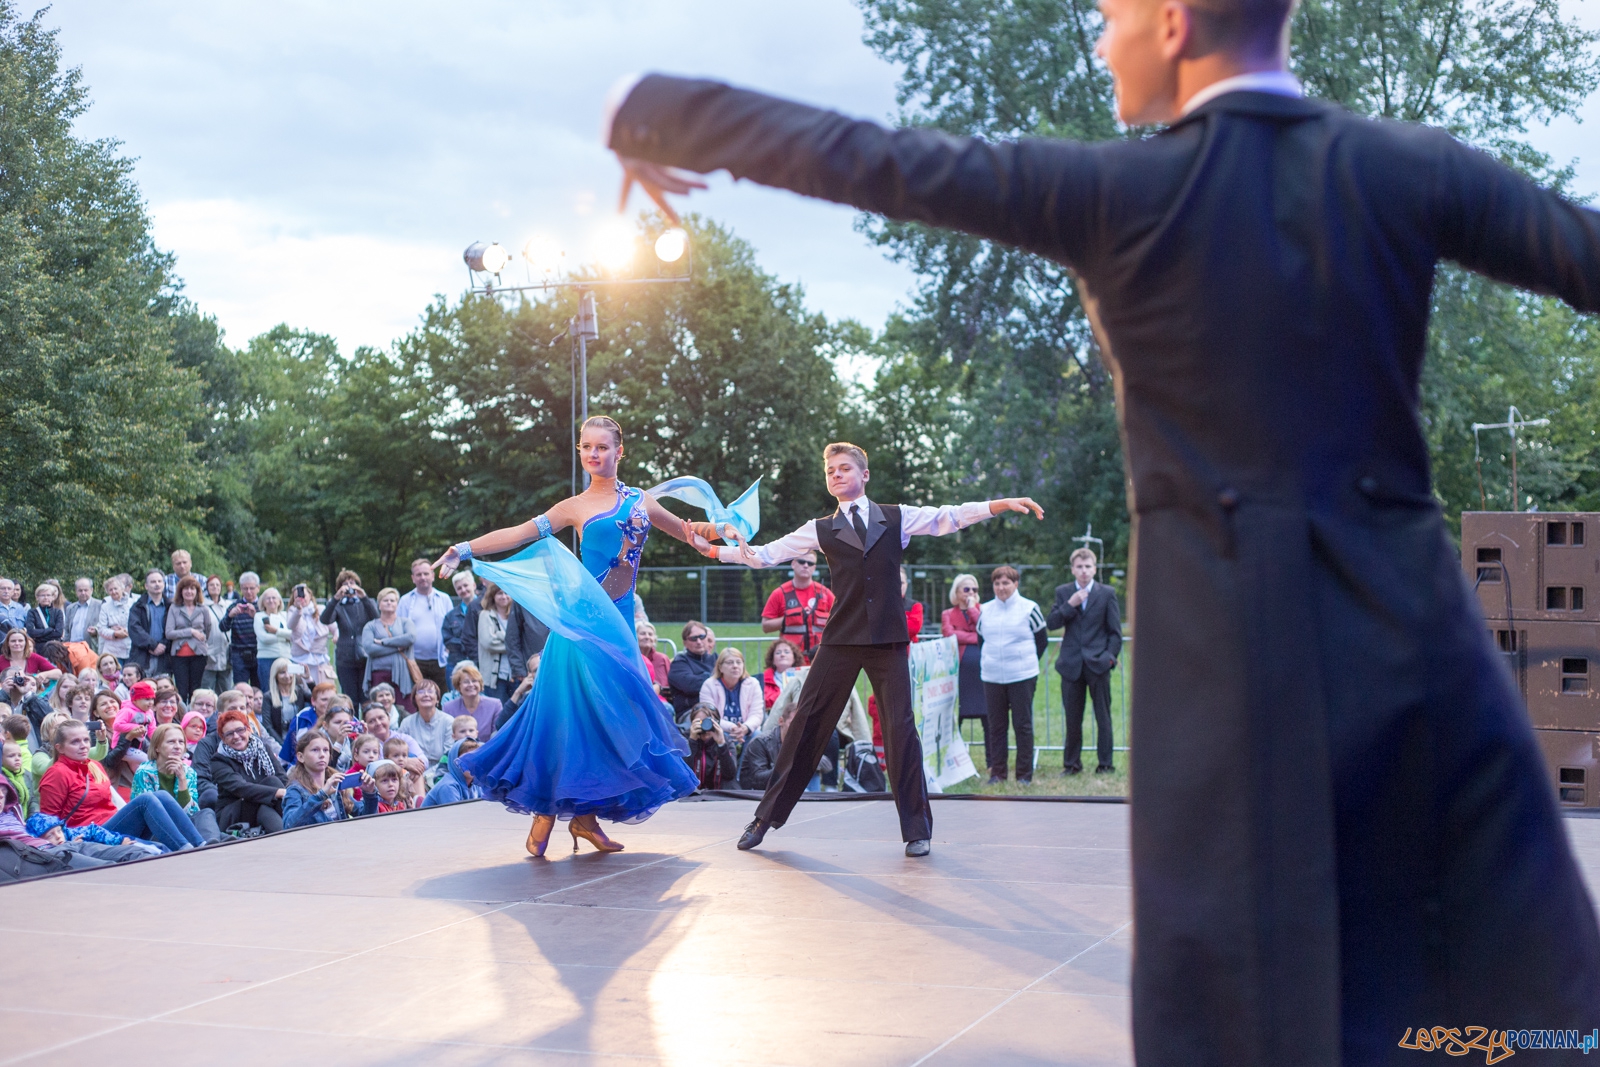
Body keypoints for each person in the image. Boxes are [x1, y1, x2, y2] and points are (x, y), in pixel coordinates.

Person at [605, 26, 1600, 1055]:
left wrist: (657, 103)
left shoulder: (1116, 190)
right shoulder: (1407, 165)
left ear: (1171, 19)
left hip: (1223, 665)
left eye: (1113, 7)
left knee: (1233, 1000)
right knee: (1493, 974)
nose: (1098, 27)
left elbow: (878, 158)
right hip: (1411, 640)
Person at [709, 442, 1041, 856]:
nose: (836, 475)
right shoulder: (819, 528)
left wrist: (999, 504)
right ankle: (765, 818)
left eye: (844, 468)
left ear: (864, 475)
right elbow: (763, 556)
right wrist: (714, 550)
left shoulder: (895, 517)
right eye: (830, 470)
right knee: (807, 724)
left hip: (887, 638)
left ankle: (917, 830)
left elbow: (948, 517)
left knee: (901, 730)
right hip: (841, 639)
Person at [433, 415, 713, 858]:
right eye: (586, 447)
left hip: (618, 625)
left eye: (602, 447)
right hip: (580, 624)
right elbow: (518, 534)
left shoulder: (642, 502)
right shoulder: (573, 506)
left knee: (611, 722)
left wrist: (725, 534)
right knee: (564, 719)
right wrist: (463, 548)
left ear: (620, 452)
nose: (593, 454)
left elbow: (691, 534)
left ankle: (584, 819)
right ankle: (547, 811)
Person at [38, 719, 202, 852]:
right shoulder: (56, 773)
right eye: (75, 742)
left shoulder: (94, 765)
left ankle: (200, 844)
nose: (83, 745)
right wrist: (67, 841)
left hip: (112, 826)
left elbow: (110, 804)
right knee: (146, 800)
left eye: (86, 740)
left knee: (161, 796)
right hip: (88, 834)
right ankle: (184, 848)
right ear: (60, 748)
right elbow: (47, 821)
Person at [1047, 548, 1123, 775]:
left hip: (1098, 664)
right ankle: (1072, 764)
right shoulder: (1063, 592)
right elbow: (1051, 623)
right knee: (1072, 718)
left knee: (1103, 716)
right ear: (1072, 569)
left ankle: (1105, 764)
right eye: (1079, 567)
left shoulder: (1106, 593)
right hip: (1071, 665)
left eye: (1088, 566)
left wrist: (1109, 659)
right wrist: (1069, 605)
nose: (1083, 571)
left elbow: (1115, 633)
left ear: (1095, 569)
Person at [976, 565, 1047, 785]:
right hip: (993, 677)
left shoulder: (1029, 608)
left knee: (1022, 725)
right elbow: (981, 639)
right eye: (997, 583)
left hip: (1022, 675)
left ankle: (1024, 775)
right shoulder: (985, 610)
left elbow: (1041, 640)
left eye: (1006, 583)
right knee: (996, 726)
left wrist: (1023, 660)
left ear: (1016, 584)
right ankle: (998, 773)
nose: (1001, 587)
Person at [132, 722, 221, 843]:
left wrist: (182, 780)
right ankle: (217, 841)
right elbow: (147, 815)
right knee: (214, 834)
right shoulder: (144, 772)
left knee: (206, 813)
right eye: (171, 742)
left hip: (184, 828)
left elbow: (192, 814)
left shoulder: (188, 772)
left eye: (181, 742)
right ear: (157, 747)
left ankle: (211, 843)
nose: (177, 746)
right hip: (157, 830)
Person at [211, 707, 285, 833]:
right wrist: (277, 792)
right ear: (223, 738)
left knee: (266, 804)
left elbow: (283, 778)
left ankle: (285, 834)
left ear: (249, 730)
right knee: (272, 785)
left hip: (264, 806)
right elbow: (241, 788)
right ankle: (293, 830)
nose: (236, 736)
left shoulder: (263, 749)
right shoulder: (219, 760)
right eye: (229, 733)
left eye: (240, 730)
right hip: (235, 812)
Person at [759, 551, 832, 664]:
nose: (806, 565)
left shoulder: (825, 593)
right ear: (793, 564)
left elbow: (842, 621)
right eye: (802, 561)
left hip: (820, 659)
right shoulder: (780, 593)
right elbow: (765, 626)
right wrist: (788, 619)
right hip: (791, 661)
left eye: (810, 563)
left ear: (814, 568)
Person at [321, 569, 377, 701]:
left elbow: (376, 619)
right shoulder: (338, 605)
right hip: (345, 657)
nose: (349, 587)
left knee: (366, 698)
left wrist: (364, 597)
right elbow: (325, 620)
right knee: (349, 697)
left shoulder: (366, 603)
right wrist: (335, 599)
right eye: (345, 584)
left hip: (365, 655)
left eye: (352, 583)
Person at [941, 573, 986, 737]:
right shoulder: (948, 613)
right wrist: (975, 637)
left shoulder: (983, 610)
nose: (971, 593)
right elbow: (949, 634)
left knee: (986, 713)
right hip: (959, 670)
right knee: (957, 713)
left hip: (982, 670)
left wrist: (972, 609)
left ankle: (992, 760)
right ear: (957, 592)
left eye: (975, 589)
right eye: (966, 589)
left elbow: (985, 630)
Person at [398, 559, 452, 694]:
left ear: (433, 576)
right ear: (413, 578)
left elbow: (453, 627)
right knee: (418, 697)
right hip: (414, 661)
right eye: (419, 574)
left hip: (441, 661)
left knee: (441, 697)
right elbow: (399, 629)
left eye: (426, 574)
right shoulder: (405, 600)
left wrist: (448, 650)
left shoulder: (444, 599)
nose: (423, 577)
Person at [281, 727, 354, 827]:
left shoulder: (335, 782)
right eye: (315, 750)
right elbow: (289, 825)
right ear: (301, 757)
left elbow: (363, 813)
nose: (322, 755)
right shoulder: (295, 790)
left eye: (325, 750)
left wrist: (369, 794)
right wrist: (321, 795)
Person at [359, 589, 415, 708]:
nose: (389, 603)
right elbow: (370, 649)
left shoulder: (405, 622)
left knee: (405, 708)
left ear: (397, 604)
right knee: (379, 708)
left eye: (392, 600)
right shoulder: (371, 626)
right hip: (379, 673)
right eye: (385, 600)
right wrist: (398, 648)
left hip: (402, 674)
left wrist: (384, 642)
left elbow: (410, 638)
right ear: (379, 604)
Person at [697, 648, 763, 742]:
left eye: (738, 662)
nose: (735, 666)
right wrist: (732, 727)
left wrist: (745, 728)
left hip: (746, 731)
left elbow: (756, 714)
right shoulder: (709, 685)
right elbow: (709, 716)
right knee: (719, 736)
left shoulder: (753, 684)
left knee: (757, 736)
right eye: (730, 662)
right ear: (720, 667)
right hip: (720, 731)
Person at [163, 575, 212, 701]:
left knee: (196, 690)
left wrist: (200, 638)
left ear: (197, 591)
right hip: (179, 655)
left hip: (199, 654)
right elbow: (169, 633)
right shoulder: (174, 608)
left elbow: (207, 630)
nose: (189, 592)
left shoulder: (203, 609)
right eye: (186, 589)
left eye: (192, 588)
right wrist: (190, 631)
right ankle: (182, 716)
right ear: (181, 591)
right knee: (182, 690)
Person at [738, 694, 799, 792]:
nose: (798, 729)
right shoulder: (760, 742)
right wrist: (786, 766)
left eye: (801, 725)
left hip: (783, 790)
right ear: (781, 721)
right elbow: (758, 780)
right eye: (793, 724)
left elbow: (827, 766)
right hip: (755, 794)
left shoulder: (799, 742)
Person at [666, 621, 716, 720]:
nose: (698, 641)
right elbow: (690, 686)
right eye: (693, 638)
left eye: (702, 636)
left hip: (720, 709)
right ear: (685, 643)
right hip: (691, 713)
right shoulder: (679, 663)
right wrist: (715, 678)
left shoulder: (717, 660)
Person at [286, 583, 335, 685]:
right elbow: (291, 625)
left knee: (323, 688)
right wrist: (298, 610)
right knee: (303, 690)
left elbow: (333, 626)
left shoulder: (321, 609)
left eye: (303, 595)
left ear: (310, 596)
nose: (301, 598)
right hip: (300, 659)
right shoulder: (292, 611)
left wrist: (336, 635)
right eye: (297, 596)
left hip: (320, 658)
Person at [221, 571, 261, 694]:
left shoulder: (263, 606)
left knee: (259, 690)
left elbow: (269, 629)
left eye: (252, 588)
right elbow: (222, 627)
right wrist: (230, 616)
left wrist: (256, 617)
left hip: (259, 652)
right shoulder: (234, 606)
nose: (249, 592)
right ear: (241, 589)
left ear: (258, 588)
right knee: (240, 690)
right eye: (245, 588)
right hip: (239, 654)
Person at [682, 702, 738, 790]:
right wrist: (692, 741)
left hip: (720, 795)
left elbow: (730, 775)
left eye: (709, 722)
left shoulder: (725, 741)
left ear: (718, 723)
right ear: (692, 723)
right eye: (699, 722)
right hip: (691, 793)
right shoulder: (684, 740)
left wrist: (721, 744)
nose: (705, 726)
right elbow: (682, 774)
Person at [126, 570, 171, 677]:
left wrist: (163, 645)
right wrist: (153, 645)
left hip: (165, 657)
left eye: (160, 581)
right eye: (153, 582)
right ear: (146, 586)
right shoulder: (138, 606)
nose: (157, 584)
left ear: (164, 584)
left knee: (163, 691)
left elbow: (174, 629)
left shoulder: (171, 607)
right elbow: (134, 629)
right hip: (142, 656)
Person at [443, 662, 501, 742]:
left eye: (474, 681)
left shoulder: (495, 705)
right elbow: (448, 738)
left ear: (480, 684)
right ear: (458, 686)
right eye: (466, 682)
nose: (471, 684)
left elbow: (497, 736)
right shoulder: (448, 708)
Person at [475, 582, 514, 702]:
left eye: (506, 593)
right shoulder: (485, 615)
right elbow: (488, 642)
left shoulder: (515, 615)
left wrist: (499, 635)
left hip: (514, 676)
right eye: (499, 593)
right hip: (495, 678)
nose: (504, 596)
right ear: (492, 596)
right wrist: (512, 643)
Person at [397, 679, 451, 763]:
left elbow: (448, 755)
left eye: (430, 691)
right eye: (421, 692)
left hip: (442, 769)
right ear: (415, 699)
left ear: (437, 699)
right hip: (414, 769)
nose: (426, 695)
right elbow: (399, 749)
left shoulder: (448, 721)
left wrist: (429, 775)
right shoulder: (407, 722)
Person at [419, 738, 483, 807]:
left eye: (475, 758)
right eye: (465, 759)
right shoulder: (448, 786)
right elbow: (455, 816)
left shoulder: (475, 784)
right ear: (454, 762)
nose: (471, 763)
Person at [251, 588, 291, 693]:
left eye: (274, 598)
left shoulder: (285, 616)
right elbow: (264, 638)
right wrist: (284, 637)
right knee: (268, 690)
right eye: (267, 598)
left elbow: (294, 636)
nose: (271, 600)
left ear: (279, 601)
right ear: (263, 602)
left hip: (285, 657)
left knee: (286, 689)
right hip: (266, 659)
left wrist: (276, 631)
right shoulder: (259, 616)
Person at [441, 569, 481, 674]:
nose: (463, 590)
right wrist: (470, 644)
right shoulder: (451, 616)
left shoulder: (486, 609)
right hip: (456, 664)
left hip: (482, 663)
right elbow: (448, 641)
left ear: (474, 585)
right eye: (459, 588)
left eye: (466, 585)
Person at [266, 660, 314, 744]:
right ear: (275, 675)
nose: (287, 676)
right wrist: (282, 745)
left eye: (289, 671)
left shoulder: (299, 691)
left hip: (301, 741)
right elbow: (268, 726)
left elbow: (318, 699)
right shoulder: (268, 697)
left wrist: (308, 679)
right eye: (282, 672)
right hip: (280, 742)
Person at [200, 577, 233, 692]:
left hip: (226, 652)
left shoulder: (228, 605)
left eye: (217, 585)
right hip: (209, 653)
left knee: (226, 690)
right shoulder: (202, 606)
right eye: (212, 585)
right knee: (207, 690)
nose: (215, 587)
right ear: (207, 588)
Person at [95, 575, 133, 661]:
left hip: (130, 647)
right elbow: (101, 629)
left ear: (122, 588)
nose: (113, 591)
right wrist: (115, 633)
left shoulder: (133, 604)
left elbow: (138, 624)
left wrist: (126, 631)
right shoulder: (105, 606)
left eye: (116, 588)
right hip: (112, 651)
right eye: (110, 590)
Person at [759, 639, 802, 711]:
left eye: (787, 652)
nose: (782, 655)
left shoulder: (802, 677)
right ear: (772, 660)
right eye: (778, 653)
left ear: (794, 658)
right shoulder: (763, 680)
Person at [635, 622, 671, 696]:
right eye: (642, 634)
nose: (647, 637)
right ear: (635, 637)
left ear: (654, 639)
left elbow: (670, 684)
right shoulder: (632, 659)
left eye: (650, 634)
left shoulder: (662, 658)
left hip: (661, 699)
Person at [63, 577, 101, 647]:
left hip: (91, 648)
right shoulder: (70, 608)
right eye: (80, 590)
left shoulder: (100, 606)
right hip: (72, 647)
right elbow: (67, 630)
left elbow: (105, 626)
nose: (83, 593)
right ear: (76, 591)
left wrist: (96, 631)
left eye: (86, 590)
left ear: (91, 590)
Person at [899, 566, 924, 641]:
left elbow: (912, 629)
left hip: (908, 649)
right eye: (896, 582)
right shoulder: (881, 605)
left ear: (906, 584)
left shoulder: (915, 605)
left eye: (902, 583)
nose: (899, 586)